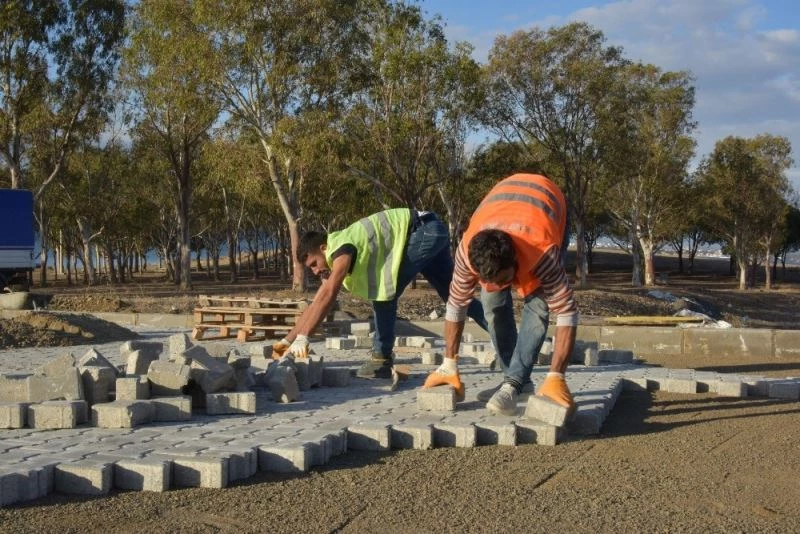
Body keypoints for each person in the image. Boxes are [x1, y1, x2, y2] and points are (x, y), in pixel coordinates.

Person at [423, 173, 578, 416]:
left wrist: (557, 375)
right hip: (503, 203)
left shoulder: (543, 253)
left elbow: (566, 312)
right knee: (492, 305)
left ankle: (513, 383)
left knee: (538, 306)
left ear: (515, 260)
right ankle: (518, 383)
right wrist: (448, 364)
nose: (500, 286)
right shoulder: (467, 253)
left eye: (504, 279)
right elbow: (455, 307)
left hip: (549, 205)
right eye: (489, 281)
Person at [272, 208, 488, 379]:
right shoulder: (337, 251)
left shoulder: (341, 248)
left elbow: (330, 293)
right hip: (431, 229)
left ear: (323, 248)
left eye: (314, 264)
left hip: (423, 231)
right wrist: (288, 340)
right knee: (458, 298)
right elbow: (317, 302)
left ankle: (381, 359)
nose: (316, 270)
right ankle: (510, 347)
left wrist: (305, 337)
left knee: (385, 293)